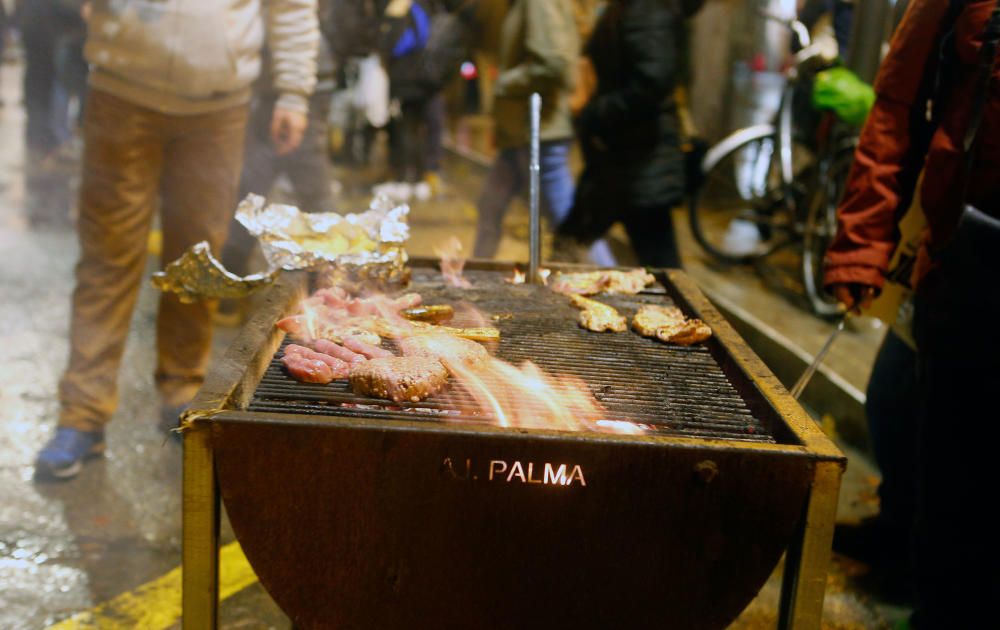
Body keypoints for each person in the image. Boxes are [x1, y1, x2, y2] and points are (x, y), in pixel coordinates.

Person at [34, 0, 319, 481]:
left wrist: (293, 92)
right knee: (106, 259)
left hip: (219, 104)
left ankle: (182, 389)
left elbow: (291, 6)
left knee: (197, 258)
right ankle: (82, 415)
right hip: (120, 91)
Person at [824, 0, 1000, 625]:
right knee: (937, 472)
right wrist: (862, 245)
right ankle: (912, 560)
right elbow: (896, 107)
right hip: (968, 259)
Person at [553, 0, 688, 269]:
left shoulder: (646, 10)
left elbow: (654, 80)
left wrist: (595, 113)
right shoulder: (632, 8)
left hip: (639, 160)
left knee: (662, 265)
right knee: (569, 245)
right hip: (619, 158)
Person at [221, 0, 338, 284]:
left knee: (266, 183)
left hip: (293, 81)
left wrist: (294, 96)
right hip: (292, 78)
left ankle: (327, 284)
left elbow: (295, 14)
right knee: (258, 183)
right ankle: (325, 280)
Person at [472, 0, 578, 259]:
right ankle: (471, 279)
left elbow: (554, 63)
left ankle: (607, 282)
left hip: (541, 132)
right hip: (519, 132)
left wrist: (503, 83)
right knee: (490, 206)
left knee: (572, 229)